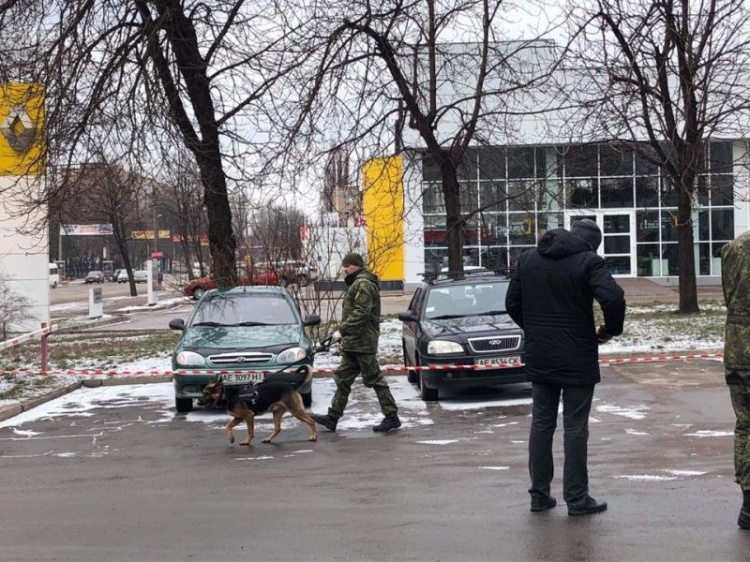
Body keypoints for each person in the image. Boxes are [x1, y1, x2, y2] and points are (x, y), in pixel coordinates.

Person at [505, 218, 626, 516]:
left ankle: (539, 495)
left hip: (541, 354)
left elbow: (511, 303)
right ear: (591, 243)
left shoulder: (528, 259)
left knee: (541, 424)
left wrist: (535, 329)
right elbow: (613, 297)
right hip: (577, 355)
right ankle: (576, 498)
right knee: (574, 427)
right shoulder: (589, 261)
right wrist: (610, 330)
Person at [312, 252, 401, 432]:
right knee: (343, 380)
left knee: (375, 379)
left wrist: (342, 331)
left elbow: (362, 312)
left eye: (347, 266)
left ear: (357, 265)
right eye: (344, 266)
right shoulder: (356, 282)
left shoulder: (363, 283)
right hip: (353, 342)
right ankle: (333, 417)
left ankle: (392, 417)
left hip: (363, 342)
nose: (344, 269)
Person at [720, 231, 750, 530]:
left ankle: (749, 505)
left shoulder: (734, 248)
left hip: (738, 349)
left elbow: (730, 296)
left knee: (745, 426)